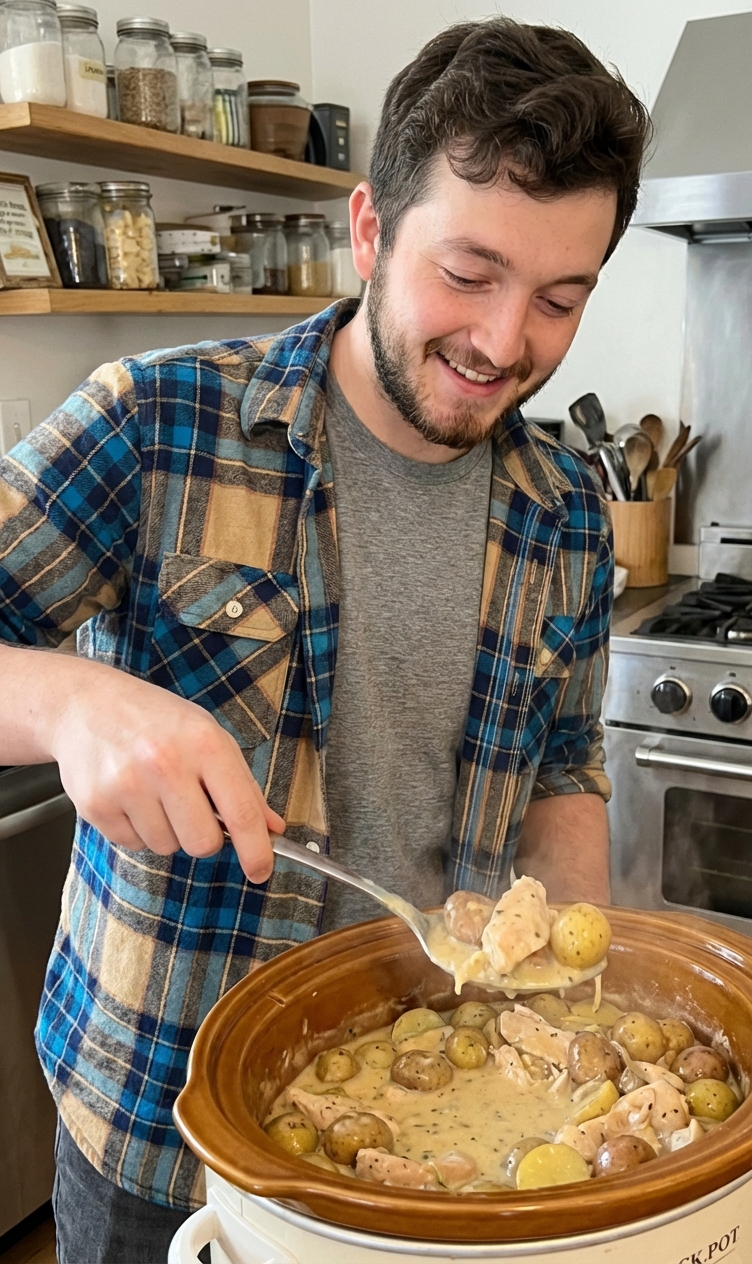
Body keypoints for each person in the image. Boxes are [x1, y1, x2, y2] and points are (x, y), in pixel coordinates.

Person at [0, 16, 650, 1263]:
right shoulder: (157, 425)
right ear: (367, 230)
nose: (504, 343)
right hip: (169, 1124)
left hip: (448, 1130)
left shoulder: (569, 508)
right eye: (467, 274)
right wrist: (74, 704)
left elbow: (564, 759)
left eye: (559, 299)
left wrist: (565, 1008)